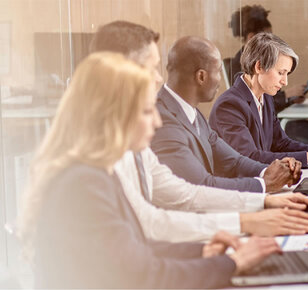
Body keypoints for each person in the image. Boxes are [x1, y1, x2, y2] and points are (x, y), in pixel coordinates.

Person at [18, 52, 279, 288]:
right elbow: (144, 275)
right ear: (112, 116)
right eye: (146, 112)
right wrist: (233, 263)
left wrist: (201, 252)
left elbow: (135, 250)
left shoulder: (96, 173)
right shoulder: (85, 183)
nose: (156, 122)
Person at [91, 21, 308, 242]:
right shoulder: (159, 125)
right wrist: (254, 209)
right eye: (151, 68)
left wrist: (265, 196)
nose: (159, 77)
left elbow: (186, 195)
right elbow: (189, 195)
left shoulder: (191, 115)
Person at [152, 36, 301, 193]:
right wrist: (265, 184)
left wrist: (273, 171)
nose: (219, 81)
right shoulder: (162, 121)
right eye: (217, 72)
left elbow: (235, 161)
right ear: (201, 76)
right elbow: (201, 185)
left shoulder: (192, 113)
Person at [210, 33, 308, 165]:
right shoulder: (229, 105)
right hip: (242, 186)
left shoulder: (265, 98)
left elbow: (281, 144)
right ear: (259, 67)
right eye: (280, 73)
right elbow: (249, 158)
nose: (285, 82)